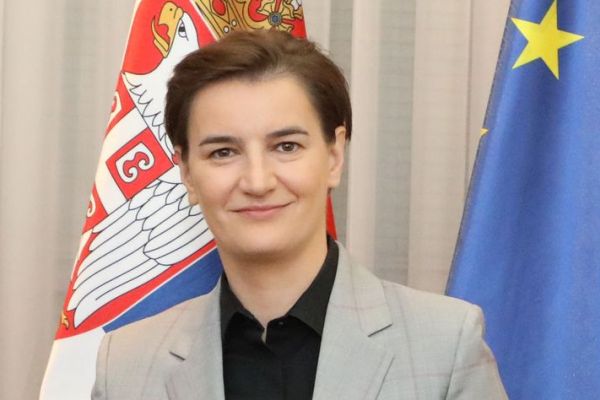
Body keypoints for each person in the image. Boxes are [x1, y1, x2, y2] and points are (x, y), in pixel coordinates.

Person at [92, 30, 507, 399]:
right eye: (223, 152)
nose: (257, 181)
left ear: (334, 155)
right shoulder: (127, 365)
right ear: (187, 173)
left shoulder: (446, 346)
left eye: (286, 146)